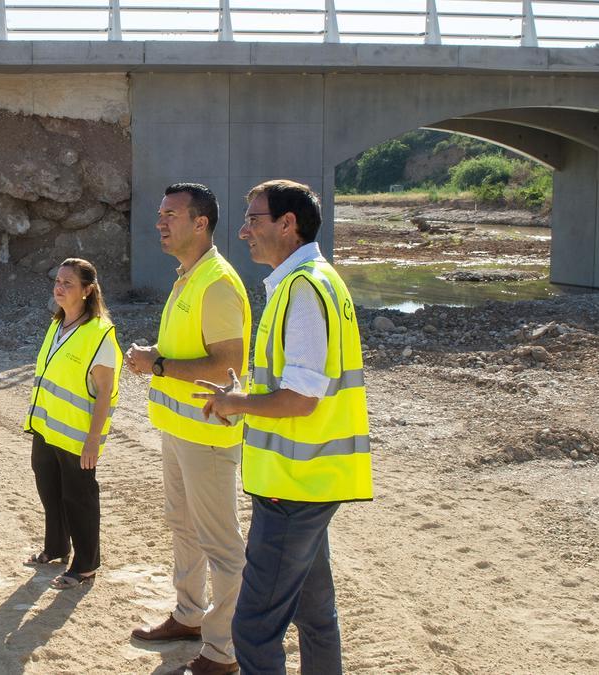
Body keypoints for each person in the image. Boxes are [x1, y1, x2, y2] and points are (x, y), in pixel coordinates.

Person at [194, 180, 373, 674]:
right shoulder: (319, 279)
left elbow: (300, 399)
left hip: (293, 489)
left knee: (253, 628)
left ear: (287, 224)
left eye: (254, 219)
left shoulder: (303, 289)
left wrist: (237, 402)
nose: (243, 230)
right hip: (311, 481)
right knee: (315, 615)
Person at [125, 183, 251, 675]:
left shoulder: (217, 282)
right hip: (181, 431)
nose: (160, 222)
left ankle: (224, 651)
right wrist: (157, 361)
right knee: (183, 526)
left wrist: (156, 365)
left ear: (200, 223)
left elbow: (226, 367)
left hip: (209, 434)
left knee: (221, 544)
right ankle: (189, 616)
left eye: (171, 214)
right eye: (160, 213)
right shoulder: (188, 278)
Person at [23, 257, 123, 590]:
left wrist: (94, 440)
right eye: (58, 281)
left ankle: (85, 565)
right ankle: (55, 547)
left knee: (78, 498)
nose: (60, 287)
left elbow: (105, 392)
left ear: (87, 290)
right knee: (49, 489)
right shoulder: (56, 325)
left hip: (78, 434)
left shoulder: (99, 334)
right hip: (48, 427)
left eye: (68, 283)